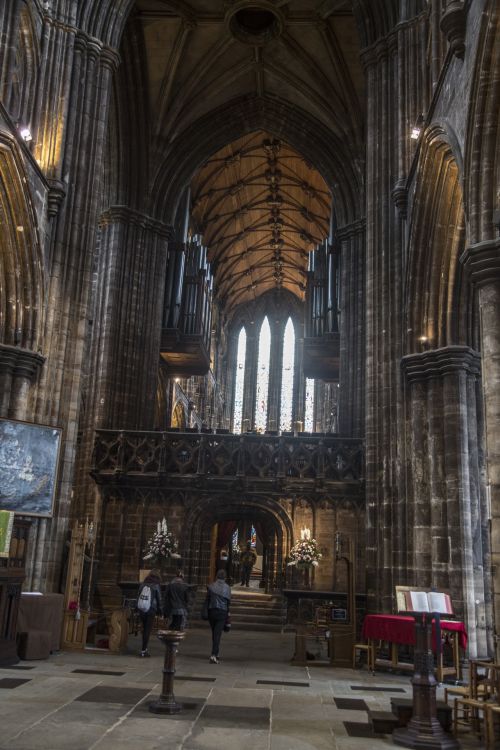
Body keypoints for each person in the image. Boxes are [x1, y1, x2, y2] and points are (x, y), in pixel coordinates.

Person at [207, 569, 231, 664]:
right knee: (217, 634)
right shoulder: (227, 588)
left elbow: (208, 598)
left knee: (214, 633)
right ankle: (213, 655)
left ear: (217, 576)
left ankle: (215, 652)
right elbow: (228, 602)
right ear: (225, 577)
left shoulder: (211, 586)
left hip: (212, 611)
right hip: (222, 612)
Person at [136, 569, 162, 657]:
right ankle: (144, 650)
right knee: (147, 629)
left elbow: (138, 595)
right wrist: (160, 611)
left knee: (144, 629)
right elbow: (159, 599)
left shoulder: (143, 583)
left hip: (142, 609)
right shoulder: (156, 585)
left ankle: (144, 649)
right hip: (151, 609)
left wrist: (137, 608)